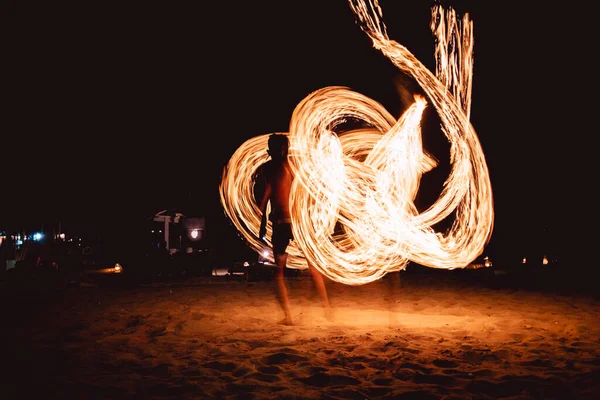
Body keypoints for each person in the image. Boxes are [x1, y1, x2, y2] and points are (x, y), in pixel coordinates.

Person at [257, 133, 332, 325]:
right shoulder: (296, 167)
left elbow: (267, 195)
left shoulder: (269, 169)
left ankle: (288, 317)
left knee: (279, 273)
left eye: (271, 147)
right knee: (313, 267)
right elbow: (308, 192)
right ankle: (327, 311)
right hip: (298, 224)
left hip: (282, 224)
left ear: (276, 149)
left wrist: (262, 220)